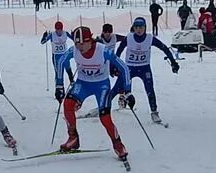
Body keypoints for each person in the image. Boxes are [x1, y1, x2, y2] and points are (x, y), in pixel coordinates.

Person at [54, 26, 133, 162]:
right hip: (83, 83)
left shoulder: (102, 50)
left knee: (104, 116)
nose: (80, 47)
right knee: (67, 104)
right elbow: (61, 62)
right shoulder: (74, 50)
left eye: (83, 43)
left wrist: (128, 91)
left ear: (90, 40)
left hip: (101, 85)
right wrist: (59, 85)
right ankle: (73, 138)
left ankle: (118, 144)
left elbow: (124, 67)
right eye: (77, 43)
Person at [115, 17, 179, 125]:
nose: (139, 30)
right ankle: (105, 106)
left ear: (145, 28)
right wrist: (115, 65)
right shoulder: (129, 38)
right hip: (130, 67)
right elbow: (119, 51)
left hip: (144, 68)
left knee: (150, 89)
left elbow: (164, 48)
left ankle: (154, 112)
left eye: (141, 27)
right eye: (136, 27)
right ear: (133, 28)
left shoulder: (150, 38)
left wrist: (173, 62)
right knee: (118, 87)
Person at [40, 21, 74, 91]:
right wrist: (44, 36)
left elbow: (74, 39)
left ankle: (72, 83)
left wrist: (73, 35)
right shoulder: (52, 35)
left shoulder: (65, 33)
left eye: (60, 30)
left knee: (68, 69)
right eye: (57, 30)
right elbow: (43, 42)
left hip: (65, 55)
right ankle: (59, 89)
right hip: (56, 57)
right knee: (58, 73)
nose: (59, 32)